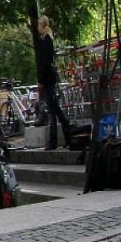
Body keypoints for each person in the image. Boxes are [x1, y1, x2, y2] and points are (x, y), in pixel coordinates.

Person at [34, 15, 74, 149]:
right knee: (55, 109)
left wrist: (40, 80)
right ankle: (68, 133)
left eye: (39, 25)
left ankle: (53, 141)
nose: (38, 28)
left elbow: (45, 62)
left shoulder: (46, 40)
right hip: (50, 78)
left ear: (43, 26)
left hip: (48, 79)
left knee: (52, 110)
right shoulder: (47, 39)